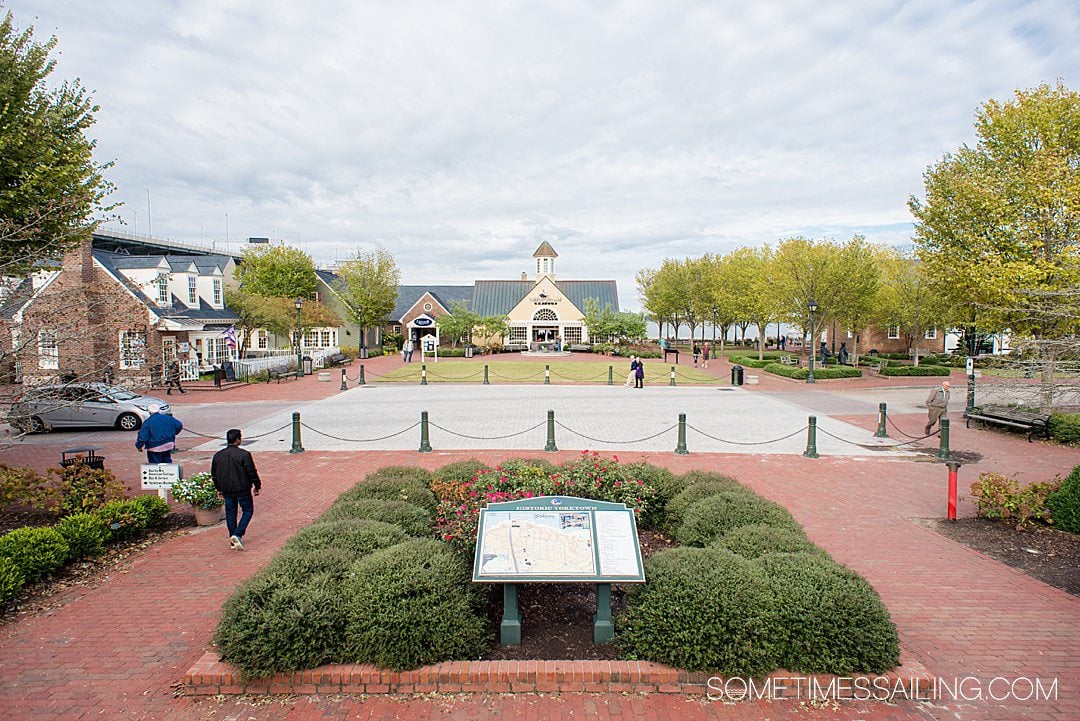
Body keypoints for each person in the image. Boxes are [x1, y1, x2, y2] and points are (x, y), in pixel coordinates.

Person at [211, 428, 262, 551]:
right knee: (248, 511)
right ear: (238, 440)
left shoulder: (218, 456)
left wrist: (218, 488)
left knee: (231, 513)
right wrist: (257, 485)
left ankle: (233, 537)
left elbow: (214, 475)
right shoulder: (244, 455)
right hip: (242, 489)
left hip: (227, 489)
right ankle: (237, 534)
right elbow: (251, 471)